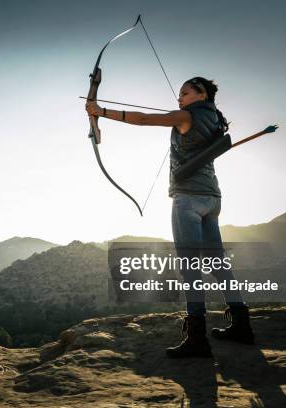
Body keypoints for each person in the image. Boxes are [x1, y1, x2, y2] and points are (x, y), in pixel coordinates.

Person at [85, 77, 255, 358]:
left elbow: (143, 119)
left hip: (187, 199)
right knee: (217, 262)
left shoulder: (186, 116)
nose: (180, 98)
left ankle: (197, 339)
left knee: (190, 267)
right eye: (179, 94)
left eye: (185, 93)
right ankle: (241, 325)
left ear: (200, 94)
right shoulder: (215, 119)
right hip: (212, 199)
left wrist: (100, 112)